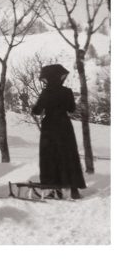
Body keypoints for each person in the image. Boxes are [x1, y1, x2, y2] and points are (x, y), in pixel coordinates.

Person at [32, 63, 86, 200]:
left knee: (50, 158)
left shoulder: (45, 92)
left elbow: (37, 111)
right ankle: (74, 189)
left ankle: (54, 190)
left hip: (49, 127)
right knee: (68, 156)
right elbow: (71, 109)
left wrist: (33, 105)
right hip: (64, 126)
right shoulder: (67, 92)